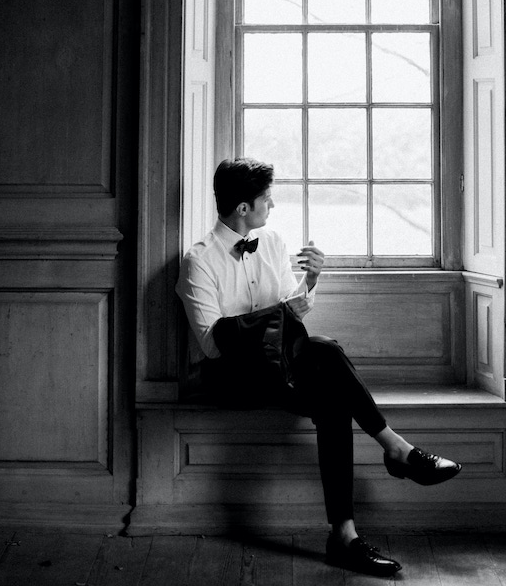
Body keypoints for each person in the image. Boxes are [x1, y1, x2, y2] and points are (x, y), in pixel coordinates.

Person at [176, 157, 462, 576]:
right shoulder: (198, 260)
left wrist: (308, 282)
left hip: (281, 366)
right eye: (266, 199)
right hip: (231, 377)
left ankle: (345, 535)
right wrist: (277, 318)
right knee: (324, 348)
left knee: (331, 396)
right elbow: (214, 345)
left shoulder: (270, 241)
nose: (271, 207)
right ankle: (397, 450)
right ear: (242, 208)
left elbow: (290, 320)